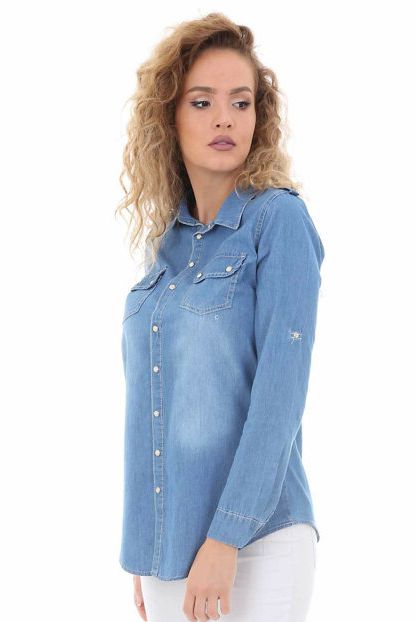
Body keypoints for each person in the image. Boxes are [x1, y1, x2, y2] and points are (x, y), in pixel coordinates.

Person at [116, 12, 325, 622]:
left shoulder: (278, 221)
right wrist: (149, 544)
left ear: (260, 117)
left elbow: (280, 395)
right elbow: (151, 404)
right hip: (168, 554)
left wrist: (225, 537)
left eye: (241, 101)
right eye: (203, 101)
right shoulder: (170, 246)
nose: (225, 118)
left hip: (257, 541)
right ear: (169, 117)